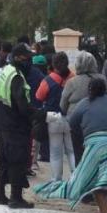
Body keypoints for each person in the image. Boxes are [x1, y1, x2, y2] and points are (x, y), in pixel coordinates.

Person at [36, 77, 107, 213]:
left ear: (90, 90)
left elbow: (73, 124)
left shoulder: (85, 103)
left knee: (90, 182)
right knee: (104, 182)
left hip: (98, 144)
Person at [0, 43, 47, 209]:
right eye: (26, 58)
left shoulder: (6, 70)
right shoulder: (16, 76)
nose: (29, 62)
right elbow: (22, 105)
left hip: (3, 121)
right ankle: (16, 198)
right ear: (17, 58)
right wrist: (39, 114)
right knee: (17, 161)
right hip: (15, 125)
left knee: (4, 160)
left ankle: (0, 195)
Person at [61, 50, 107, 165]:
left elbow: (63, 104)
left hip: (76, 123)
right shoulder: (103, 79)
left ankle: (80, 176)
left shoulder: (72, 82)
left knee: (78, 153)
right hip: (99, 121)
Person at [35, 52, 75, 182]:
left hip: (53, 118)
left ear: (53, 64)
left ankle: (56, 179)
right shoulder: (74, 78)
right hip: (70, 118)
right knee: (71, 151)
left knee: (55, 152)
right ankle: (75, 178)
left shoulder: (48, 79)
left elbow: (39, 97)